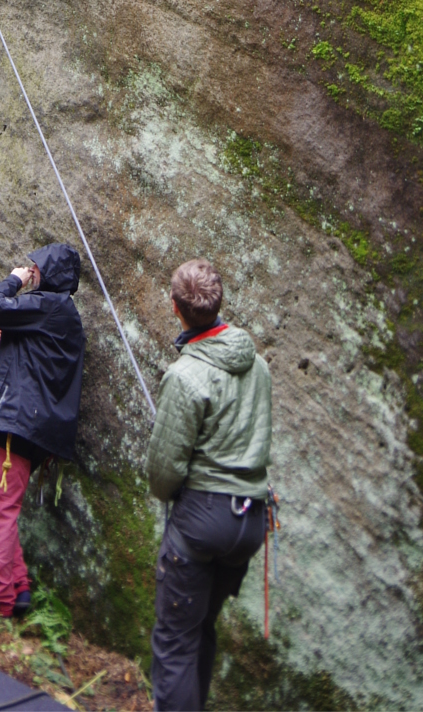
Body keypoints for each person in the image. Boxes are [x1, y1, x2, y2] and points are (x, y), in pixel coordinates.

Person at [147, 258, 272, 712]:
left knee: (175, 640)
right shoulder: (257, 366)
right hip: (249, 522)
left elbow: (164, 475)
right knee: (199, 628)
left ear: (176, 309)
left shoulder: (185, 375)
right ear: (219, 301)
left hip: (202, 522)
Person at [0, 244, 85, 618]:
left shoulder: (49, 305)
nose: (31, 271)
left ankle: (0, 598)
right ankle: (18, 590)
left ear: (48, 273)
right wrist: (11, 338)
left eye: (36, 267)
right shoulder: (60, 313)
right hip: (29, 426)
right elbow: (40, 362)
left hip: (17, 424)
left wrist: (13, 281)